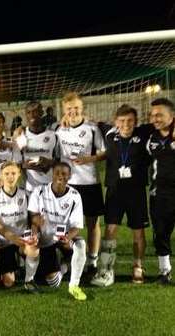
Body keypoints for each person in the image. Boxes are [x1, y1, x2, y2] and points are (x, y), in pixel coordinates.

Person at [91, 105, 151, 287]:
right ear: (116, 122)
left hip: (136, 192)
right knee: (110, 230)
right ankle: (106, 269)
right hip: (114, 191)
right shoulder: (109, 134)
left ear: (136, 121)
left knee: (138, 232)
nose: (126, 125)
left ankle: (138, 265)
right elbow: (92, 123)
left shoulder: (144, 134)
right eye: (122, 121)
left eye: (130, 121)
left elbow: (165, 122)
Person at [55, 92, 106, 277]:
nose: (73, 111)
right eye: (69, 109)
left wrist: (89, 159)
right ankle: (68, 259)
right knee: (66, 225)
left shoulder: (92, 128)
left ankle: (92, 261)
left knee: (93, 223)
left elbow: (103, 152)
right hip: (67, 185)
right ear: (64, 110)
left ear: (82, 108)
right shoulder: (58, 129)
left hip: (90, 182)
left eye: (76, 108)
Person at [28, 162, 87, 300]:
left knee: (80, 245)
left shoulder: (75, 196)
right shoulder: (39, 191)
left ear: (70, 176)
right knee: (53, 282)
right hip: (46, 240)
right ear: (52, 175)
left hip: (63, 238)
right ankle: (65, 265)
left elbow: (76, 226)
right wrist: (35, 232)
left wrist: (68, 236)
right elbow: (33, 218)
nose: (60, 176)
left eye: (64, 174)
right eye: (57, 173)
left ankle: (74, 286)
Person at [0, 161, 40, 292]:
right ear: (1, 176)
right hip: (4, 242)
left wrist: (34, 233)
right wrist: (11, 237)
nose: (10, 177)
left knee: (34, 249)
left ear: (19, 174)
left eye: (13, 173)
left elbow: (33, 218)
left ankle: (29, 281)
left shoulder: (26, 194)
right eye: (6, 174)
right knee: (9, 282)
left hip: (22, 240)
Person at [146, 98, 175, 284]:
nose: (155, 119)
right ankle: (164, 272)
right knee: (161, 234)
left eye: (160, 115)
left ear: (172, 116)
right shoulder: (150, 137)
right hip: (160, 195)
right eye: (153, 115)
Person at [18, 101, 59, 197]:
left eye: (35, 111)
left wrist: (48, 162)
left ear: (41, 113)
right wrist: (28, 165)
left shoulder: (53, 135)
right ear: (25, 115)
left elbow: (59, 161)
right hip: (30, 189)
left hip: (50, 187)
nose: (32, 115)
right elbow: (16, 164)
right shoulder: (21, 136)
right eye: (29, 112)